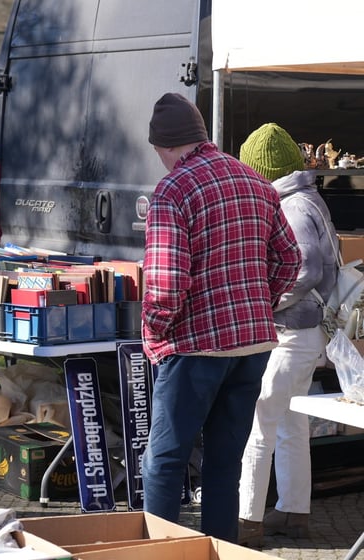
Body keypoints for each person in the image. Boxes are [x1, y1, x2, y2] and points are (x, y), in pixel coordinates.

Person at [141, 93, 302, 543]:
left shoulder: (173, 190)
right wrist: (258, 302)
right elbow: (289, 259)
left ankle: (161, 552)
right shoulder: (256, 182)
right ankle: (219, 551)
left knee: (165, 460)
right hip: (251, 345)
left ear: (163, 145)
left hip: (194, 346)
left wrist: (154, 332)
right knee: (223, 461)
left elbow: (166, 285)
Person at [236, 123, 339, 546]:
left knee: (258, 425)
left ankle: (247, 523)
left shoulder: (291, 207)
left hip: (291, 332)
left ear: (262, 171)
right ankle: (294, 515)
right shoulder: (306, 199)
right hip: (308, 332)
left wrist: (262, 304)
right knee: (292, 424)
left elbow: (306, 269)